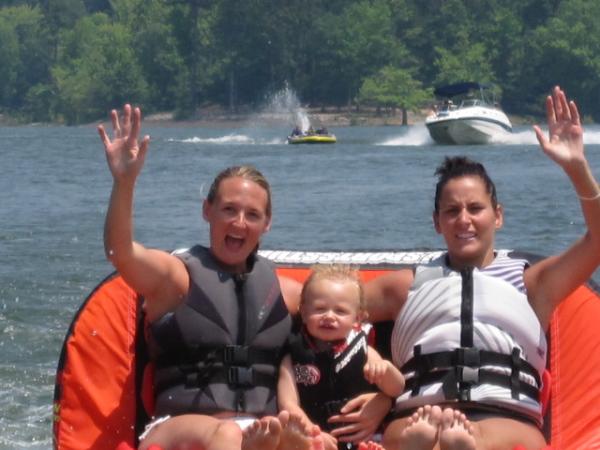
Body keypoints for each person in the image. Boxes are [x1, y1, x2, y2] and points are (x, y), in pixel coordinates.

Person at [97, 104, 391, 450]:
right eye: (229, 210)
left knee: (309, 440)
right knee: (229, 436)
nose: (239, 223)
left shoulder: (288, 294)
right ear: (207, 211)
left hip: (261, 428)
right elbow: (121, 252)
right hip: (178, 426)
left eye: (252, 214)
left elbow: (362, 304)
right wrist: (124, 182)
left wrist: (383, 398)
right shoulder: (177, 279)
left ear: (266, 224)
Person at [364, 86, 600, 450]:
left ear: (498, 216)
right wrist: (378, 384)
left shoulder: (533, 283)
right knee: (424, 433)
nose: (464, 220)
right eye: (452, 211)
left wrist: (577, 168)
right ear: (436, 222)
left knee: (450, 440)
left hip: (506, 417)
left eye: (475, 208)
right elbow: (323, 300)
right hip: (420, 412)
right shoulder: (405, 286)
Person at [278, 265, 405, 450]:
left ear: (358, 318)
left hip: (360, 436)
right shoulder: (293, 356)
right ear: (304, 312)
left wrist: (385, 369)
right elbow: (288, 403)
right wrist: (312, 433)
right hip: (315, 434)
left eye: (340, 311)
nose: (329, 316)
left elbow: (397, 388)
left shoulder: (366, 352)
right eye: (320, 309)